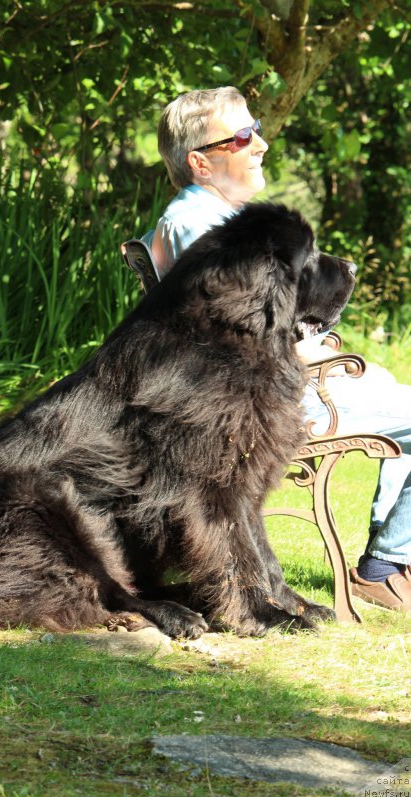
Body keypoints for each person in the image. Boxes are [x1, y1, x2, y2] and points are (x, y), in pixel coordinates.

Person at [142, 86, 411, 611]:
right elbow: (241, 347)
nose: (259, 143)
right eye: (242, 135)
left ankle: (388, 563)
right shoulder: (204, 227)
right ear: (200, 161)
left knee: (397, 395)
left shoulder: (207, 221)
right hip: (265, 405)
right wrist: (320, 356)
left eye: (255, 127)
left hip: (268, 391)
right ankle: (384, 567)